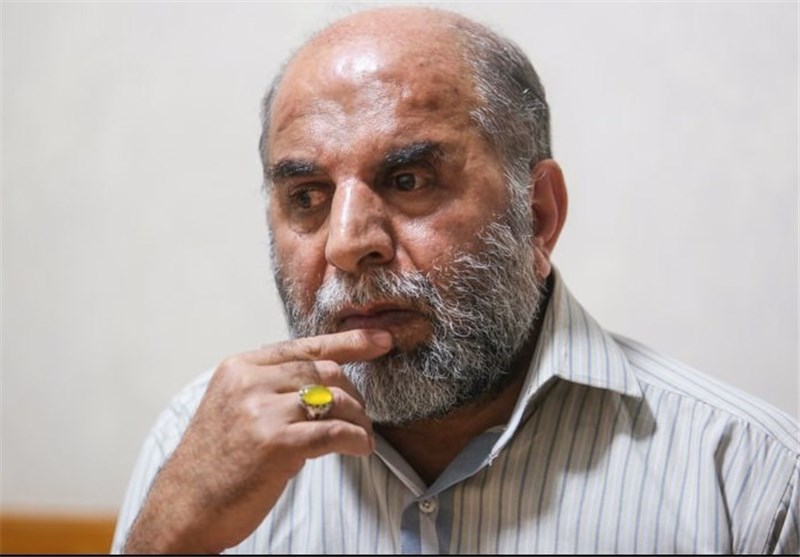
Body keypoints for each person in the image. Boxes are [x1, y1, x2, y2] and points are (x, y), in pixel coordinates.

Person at [112, 6, 799, 554]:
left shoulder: (749, 478)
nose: (347, 244)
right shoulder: (196, 443)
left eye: (408, 180)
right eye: (308, 196)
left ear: (538, 214)